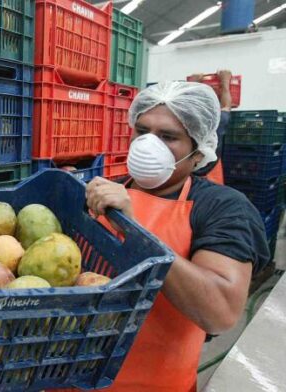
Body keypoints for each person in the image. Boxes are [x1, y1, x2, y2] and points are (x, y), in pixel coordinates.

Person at [78, 81, 270, 391]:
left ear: (199, 152)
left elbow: (220, 312)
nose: (148, 145)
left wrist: (138, 232)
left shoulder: (221, 208)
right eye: (142, 131)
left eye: (168, 137)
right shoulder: (106, 192)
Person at [188, 70, 234, 184]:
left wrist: (193, 84)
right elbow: (226, 107)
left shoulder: (185, 122)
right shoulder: (216, 123)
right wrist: (225, 81)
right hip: (210, 182)